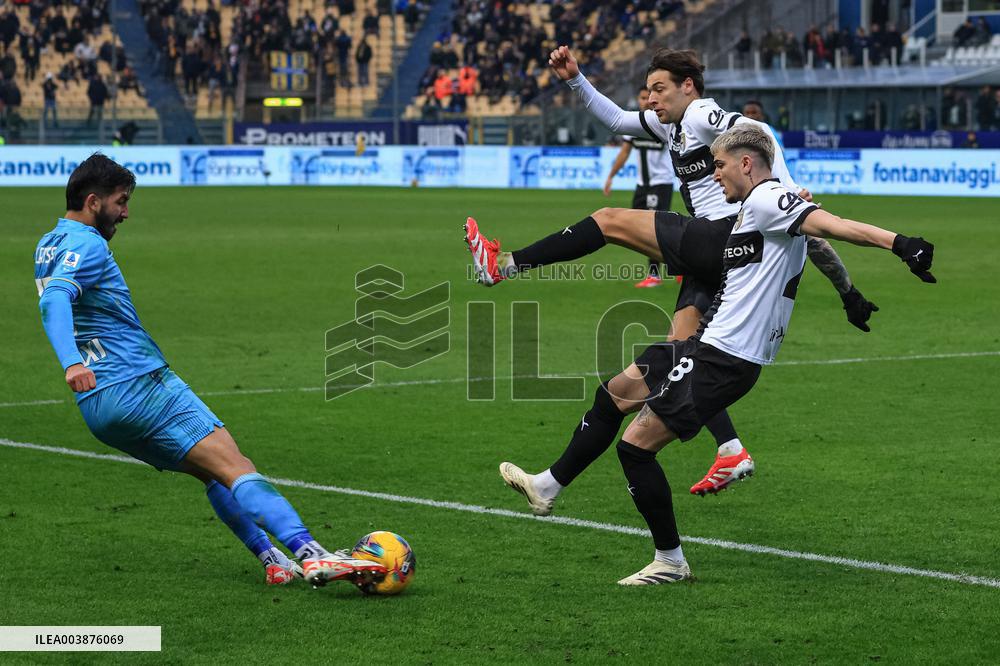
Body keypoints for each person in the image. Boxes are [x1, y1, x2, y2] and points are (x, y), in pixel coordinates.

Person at [506, 125, 936, 585]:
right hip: (708, 346)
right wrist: (849, 294)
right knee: (616, 392)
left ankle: (670, 561)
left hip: (725, 359)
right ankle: (547, 486)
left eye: (720, 166)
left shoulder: (770, 201)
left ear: (746, 163)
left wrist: (901, 243)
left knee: (635, 448)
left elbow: (835, 227)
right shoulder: (757, 208)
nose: (714, 176)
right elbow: (817, 240)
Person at [465, 47, 877, 497]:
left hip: (718, 236)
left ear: (687, 86)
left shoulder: (700, 112)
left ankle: (503, 266)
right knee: (681, 356)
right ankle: (718, 450)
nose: (651, 99)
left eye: (660, 89)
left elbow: (754, 131)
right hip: (721, 262)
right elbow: (622, 121)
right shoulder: (672, 125)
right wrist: (576, 79)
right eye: (649, 91)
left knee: (608, 221)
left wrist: (779, 185)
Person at [34, 154, 386, 588]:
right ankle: (311, 553)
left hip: (98, 408)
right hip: (139, 384)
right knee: (236, 466)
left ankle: (272, 559)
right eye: (121, 201)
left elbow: (55, 296)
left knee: (212, 472)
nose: (126, 212)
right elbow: (54, 300)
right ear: (93, 202)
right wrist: (71, 361)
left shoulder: (48, 244)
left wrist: (78, 365)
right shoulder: (88, 244)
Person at [603, 84, 675, 288]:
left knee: (653, 230)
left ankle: (655, 275)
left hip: (660, 184)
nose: (645, 101)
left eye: (648, 97)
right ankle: (679, 264)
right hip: (641, 185)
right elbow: (625, 152)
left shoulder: (663, 123)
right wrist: (611, 176)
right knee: (637, 229)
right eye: (642, 98)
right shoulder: (635, 126)